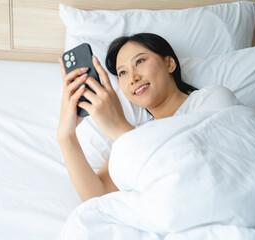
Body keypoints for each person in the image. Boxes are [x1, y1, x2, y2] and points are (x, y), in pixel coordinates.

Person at [57, 33, 241, 202]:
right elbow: (98, 198)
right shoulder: (134, 136)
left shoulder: (212, 98)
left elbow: (202, 171)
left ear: (169, 64)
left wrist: (119, 129)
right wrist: (66, 136)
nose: (132, 78)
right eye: (122, 73)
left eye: (140, 61)